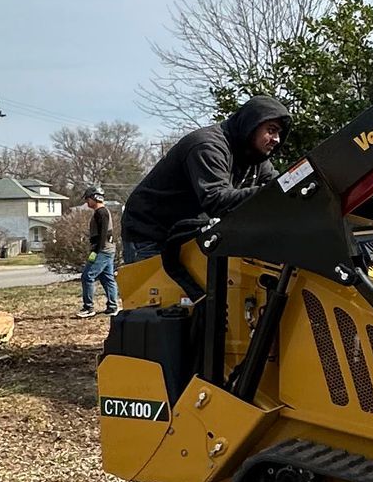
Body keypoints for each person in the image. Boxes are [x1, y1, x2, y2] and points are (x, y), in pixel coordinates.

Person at [121, 96, 290, 263]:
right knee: (166, 290)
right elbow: (217, 200)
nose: (277, 139)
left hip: (187, 236)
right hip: (152, 235)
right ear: (251, 125)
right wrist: (271, 191)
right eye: (271, 130)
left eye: (279, 133)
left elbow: (280, 187)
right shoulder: (207, 146)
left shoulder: (256, 158)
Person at [77, 186, 119, 319]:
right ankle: (112, 307)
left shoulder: (101, 212)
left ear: (95, 198)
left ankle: (88, 307)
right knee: (106, 278)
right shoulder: (101, 212)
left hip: (103, 250)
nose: (87, 202)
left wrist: (95, 251)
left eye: (88, 199)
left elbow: (103, 234)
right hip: (107, 250)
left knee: (87, 276)